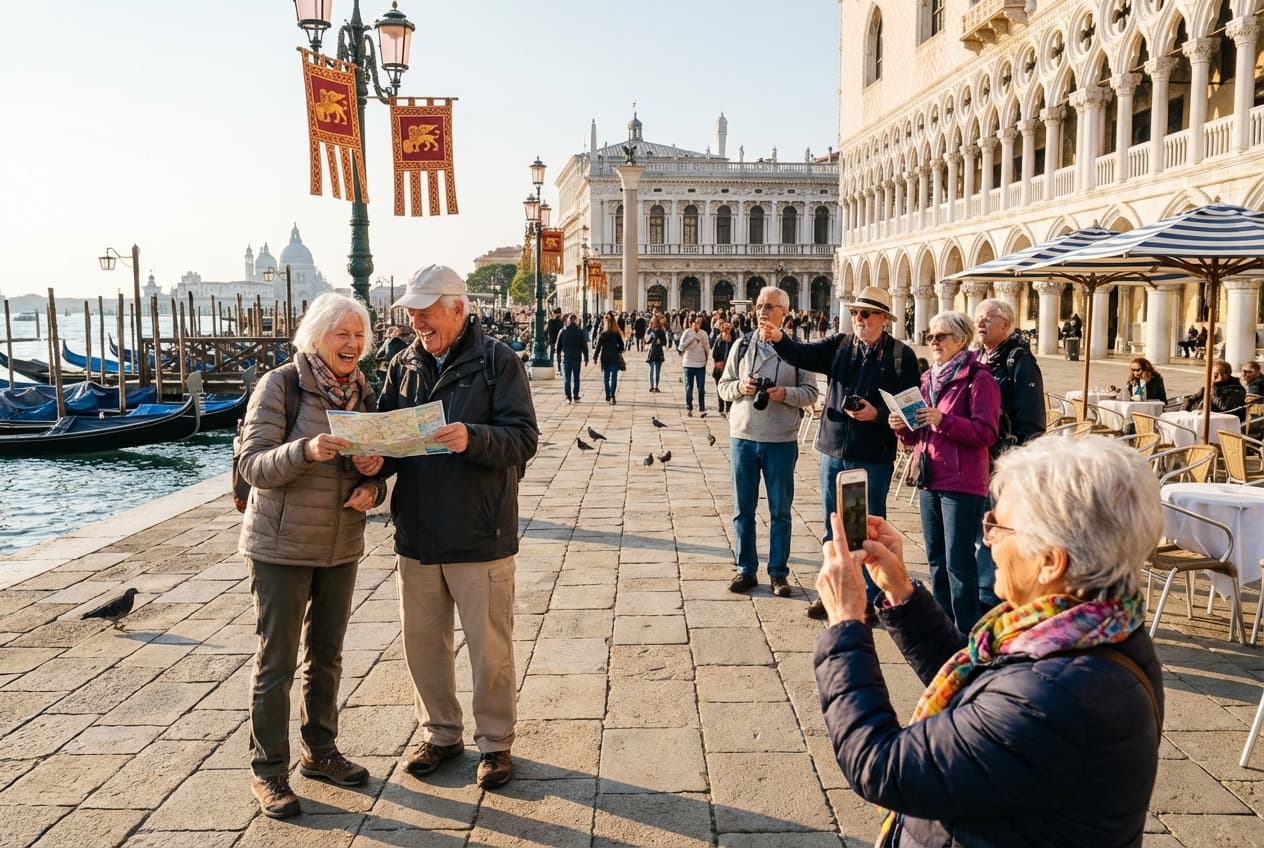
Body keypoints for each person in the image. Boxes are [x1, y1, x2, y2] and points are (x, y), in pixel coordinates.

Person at [813, 435, 1164, 847]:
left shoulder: (1052, 697)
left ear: (1050, 561)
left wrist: (845, 623)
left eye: (998, 525)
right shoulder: (1102, 629)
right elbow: (984, 686)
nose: (987, 538)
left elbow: (881, 765)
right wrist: (901, 593)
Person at [378, 265, 539, 791]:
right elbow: (388, 438)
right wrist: (372, 466)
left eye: (425, 311)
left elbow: (523, 440)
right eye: (412, 312)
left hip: (480, 529)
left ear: (457, 307)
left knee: (489, 645)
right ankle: (440, 733)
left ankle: (495, 743)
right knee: (423, 643)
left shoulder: (499, 362)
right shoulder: (401, 364)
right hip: (418, 530)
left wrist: (472, 438)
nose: (416, 320)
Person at [236, 293, 387, 819]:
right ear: (315, 336)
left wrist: (373, 481)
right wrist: (306, 450)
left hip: (340, 543)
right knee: (276, 661)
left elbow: (372, 473)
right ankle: (269, 771)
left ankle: (320, 751)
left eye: (359, 334)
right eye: (341, 333)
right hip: (280, 545)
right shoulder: (280, 386)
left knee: (327, 654)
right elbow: (253, 465)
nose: (352, 343)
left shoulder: (362, 392)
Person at [765, 286, 919, 621]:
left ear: (882, 319)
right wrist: (779, 337)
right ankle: (834, 592)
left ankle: (869, 597)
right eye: (855, 313)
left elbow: (911, 406)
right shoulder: (841, 345)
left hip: (872, 455)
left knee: (867, 529)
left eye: (865, 314)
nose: (858, 319)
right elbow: (800, 354)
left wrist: (875, 413)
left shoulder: (900, 356)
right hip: (834, 449)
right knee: (832, 525)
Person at [890, 311, 999, 633]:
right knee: (935, 558)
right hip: (929, 477)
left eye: (941, 336)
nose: (933, 342)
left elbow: (986, 433)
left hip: (963, 483)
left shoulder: (979, 379)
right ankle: (943, 624)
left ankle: (966, 632)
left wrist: (943, 420)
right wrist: (902, 427)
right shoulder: (928, 379)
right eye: (930, 336)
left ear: (961, 340)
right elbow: (917, 436)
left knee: (958, 562)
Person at [719, 287, 818, 596]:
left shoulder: (798, 350)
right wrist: (741, 387)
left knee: (780, 511)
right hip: (744, 437)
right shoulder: (740, 345)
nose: (762, 311)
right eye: (759, 305)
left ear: (784, 313)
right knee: (743, 509)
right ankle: (745, 569)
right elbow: (723, 387)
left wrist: (783, 393)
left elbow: (811, 394)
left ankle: (778, 572)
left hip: (780, 440)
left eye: (770, 306)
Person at [973, 298, 1045, 609]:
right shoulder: (978, 358)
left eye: (988, 318)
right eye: (978, 317)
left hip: (1004, 461)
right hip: (978, 457)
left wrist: (1017, 464)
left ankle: (993, 596)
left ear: (1006, 325)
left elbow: (1031, 420)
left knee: (1000, 526)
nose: (981, 322)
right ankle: (984, 588)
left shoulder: (1020, 361)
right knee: (982, 528)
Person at [1182, 359, 1248, 420]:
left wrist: (1212, 387)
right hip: (1208, 417)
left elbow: (1224, 406)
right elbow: (1191, 399)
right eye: (1215, 374)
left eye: (1223, 373)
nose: (1220, 377)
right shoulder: (1213, 385)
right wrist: (1183, 413)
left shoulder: (1237, 386)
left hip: (1228, 419)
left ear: (1229, 373)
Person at [678, 314, 711, 417]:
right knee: (689, 387)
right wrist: (692, 339)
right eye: (696, 322)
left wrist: (706, 360)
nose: (698, 324)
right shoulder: (687, 333)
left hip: (700, 363)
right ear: (691, 323)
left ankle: (701, 407)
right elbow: (681, 347)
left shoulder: (703, 333)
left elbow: (707, 347)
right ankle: (689, 407)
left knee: (701, 387)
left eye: (699, 322)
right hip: (688, 363)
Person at [556, 313, 588, 403]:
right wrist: (586, 357)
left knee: (567, 378)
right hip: (577, 358)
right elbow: (584, 346)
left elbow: (558, 346)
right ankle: (576, 396)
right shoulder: (580, 331)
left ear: (568, 321)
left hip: (566, 357)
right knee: (576, 378)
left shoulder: (563, 331)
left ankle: (568, 397)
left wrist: (558, 355)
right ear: (576, 321)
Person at [595, 313, 626, 404]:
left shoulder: (603, 334)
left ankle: (608, 394)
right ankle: (612, 395)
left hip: (605, 358)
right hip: (614, 357)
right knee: (614, 377)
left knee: (606, 378)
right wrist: (617, 350)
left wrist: (595, 357)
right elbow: (622, 346)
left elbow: (598, 346)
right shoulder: (616, 334)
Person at [712, 322, 735, 417]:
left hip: (730, 368)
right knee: (720, 388)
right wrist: (719, 361)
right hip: (720, 368)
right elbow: (714, 354)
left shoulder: (734, 341)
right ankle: (721, 408)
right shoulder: (718, 340)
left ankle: (728, 408)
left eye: (728, 332)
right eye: (725, 332)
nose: (726, 335)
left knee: (729, 387)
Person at [646, 315, 667, 392]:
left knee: (657, 371)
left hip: (658, 352)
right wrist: (649, 328)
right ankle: (651, 386)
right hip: (652, 352)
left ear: (656, 322)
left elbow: (665, 342)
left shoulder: (661, 331)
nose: (652, 322)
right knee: (651, 370)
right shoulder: (651, 331)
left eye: (653, 321)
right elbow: (647, 339)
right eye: (651, 321)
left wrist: (661, 342)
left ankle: (656, 386)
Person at [545, 308, 564, 372]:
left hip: (553, 340)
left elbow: (549, 332)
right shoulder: (560, 321)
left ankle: (551, 366)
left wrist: (549, 340)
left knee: (551, 354)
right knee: (558, 354)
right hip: (559, 340)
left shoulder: (550, 321)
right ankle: (559, 369)